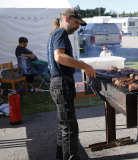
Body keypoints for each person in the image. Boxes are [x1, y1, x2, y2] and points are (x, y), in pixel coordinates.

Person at [47, 8, 96, 160]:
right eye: (76, 23)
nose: (78, 27)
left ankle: (61, 157)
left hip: (59, 83)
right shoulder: (60, 33)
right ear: (67, 19)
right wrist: (85, 66)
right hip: (61, 83)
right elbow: (59, 57)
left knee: (64, 126)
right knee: (70, 127)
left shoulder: (56, 34)